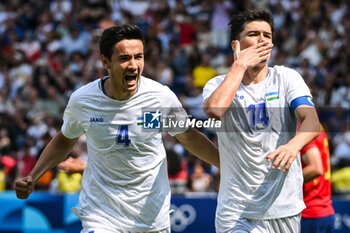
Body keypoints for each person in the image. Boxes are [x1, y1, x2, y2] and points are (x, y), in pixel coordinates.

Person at [14, 24, 220, 233]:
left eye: (138, 57)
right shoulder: (83, 100)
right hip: (102, 214)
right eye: (124, 58)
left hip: (150, 217)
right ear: (106, 62)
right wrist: (33, 175)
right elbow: (65, 139)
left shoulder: (161, 98)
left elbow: (188, 137)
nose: (133, 65)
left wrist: (227, 165)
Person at [202, 9, 320, 233]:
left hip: (282, 207)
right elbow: (215, 111)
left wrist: (292, 146)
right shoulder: (217, 84)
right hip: (236, 210)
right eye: (254, 34)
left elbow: (311, 121)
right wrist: (239, 66)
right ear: (236, 45)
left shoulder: (287, 78)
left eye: (267, 35)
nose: (262, 40)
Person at [300, 124, 335, 233]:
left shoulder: (302, 128)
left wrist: (285, 183)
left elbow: (315, 168)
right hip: (323, 210)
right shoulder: (316, 124)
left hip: (310, 212)